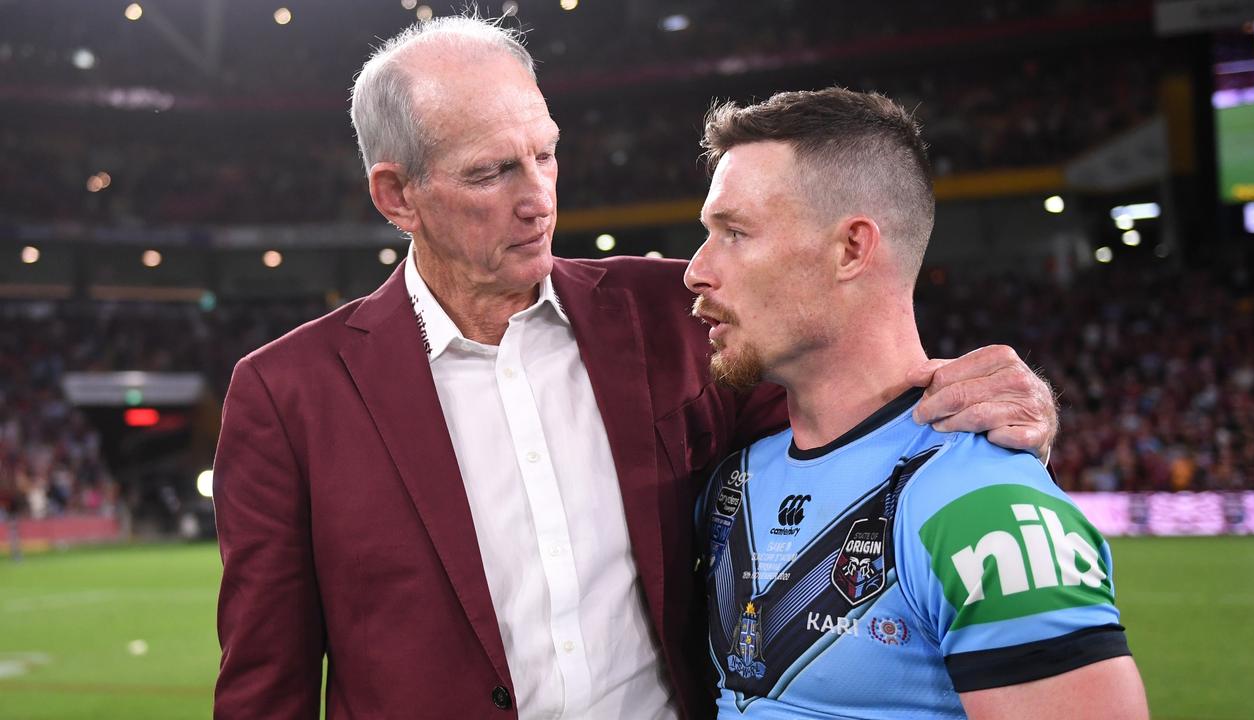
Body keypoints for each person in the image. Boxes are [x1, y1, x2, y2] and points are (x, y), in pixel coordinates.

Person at [212, 16, 1059, 720]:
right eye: (491, 172)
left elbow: (844, 410)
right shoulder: (289, 394)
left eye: (544, 153)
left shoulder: (675, 313)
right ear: (397, 196)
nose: (538, 196)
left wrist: (979, 393)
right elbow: (267, 683)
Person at [687, 88, 1148, 719]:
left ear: (851, 248)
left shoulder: (986, 510)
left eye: (735, 233)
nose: (694, 270)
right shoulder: (733, 481)